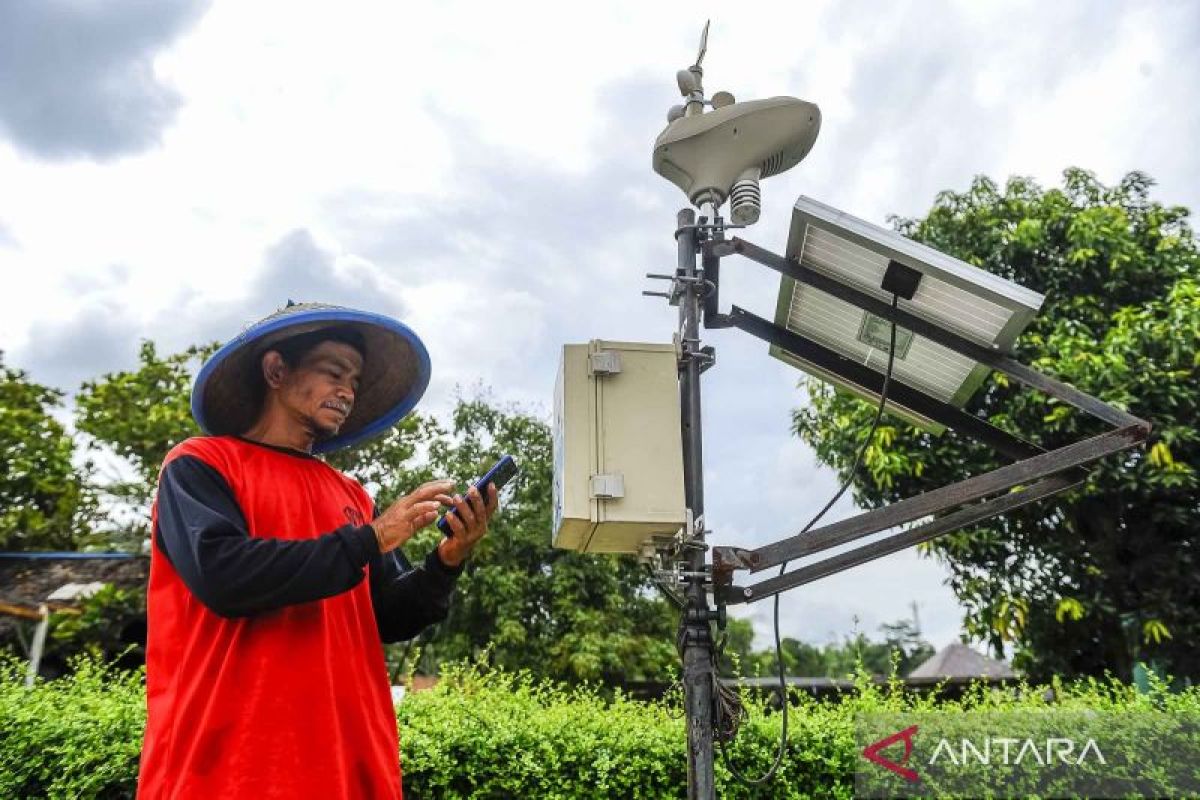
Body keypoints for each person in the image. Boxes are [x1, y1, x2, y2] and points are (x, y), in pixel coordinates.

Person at [136, 302, 497, 799]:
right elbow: (224, 576)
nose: (348, 391)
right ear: (276, 370)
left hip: (347, 766)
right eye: (334, 372)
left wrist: (447, 560)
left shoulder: (351, 496)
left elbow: (386, 616)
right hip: (228, 770)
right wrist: (372, 537)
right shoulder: (201, 464)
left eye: (355, 380)